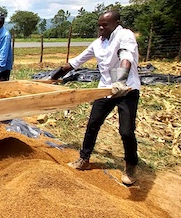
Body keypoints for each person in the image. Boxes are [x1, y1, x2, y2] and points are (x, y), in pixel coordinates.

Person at [51, 11, 141, 185]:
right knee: (93, 124)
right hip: (106, 89)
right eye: (99, 25)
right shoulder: (97, 44)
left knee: (126, 131)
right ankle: (84, 159)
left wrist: (120, 81)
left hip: (126, 89)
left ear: (116, 23)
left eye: (105, 25)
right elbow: (75, 62)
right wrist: (53, 76)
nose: (101, 28)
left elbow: (126, 57)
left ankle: (130, 165)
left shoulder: (125, 35)